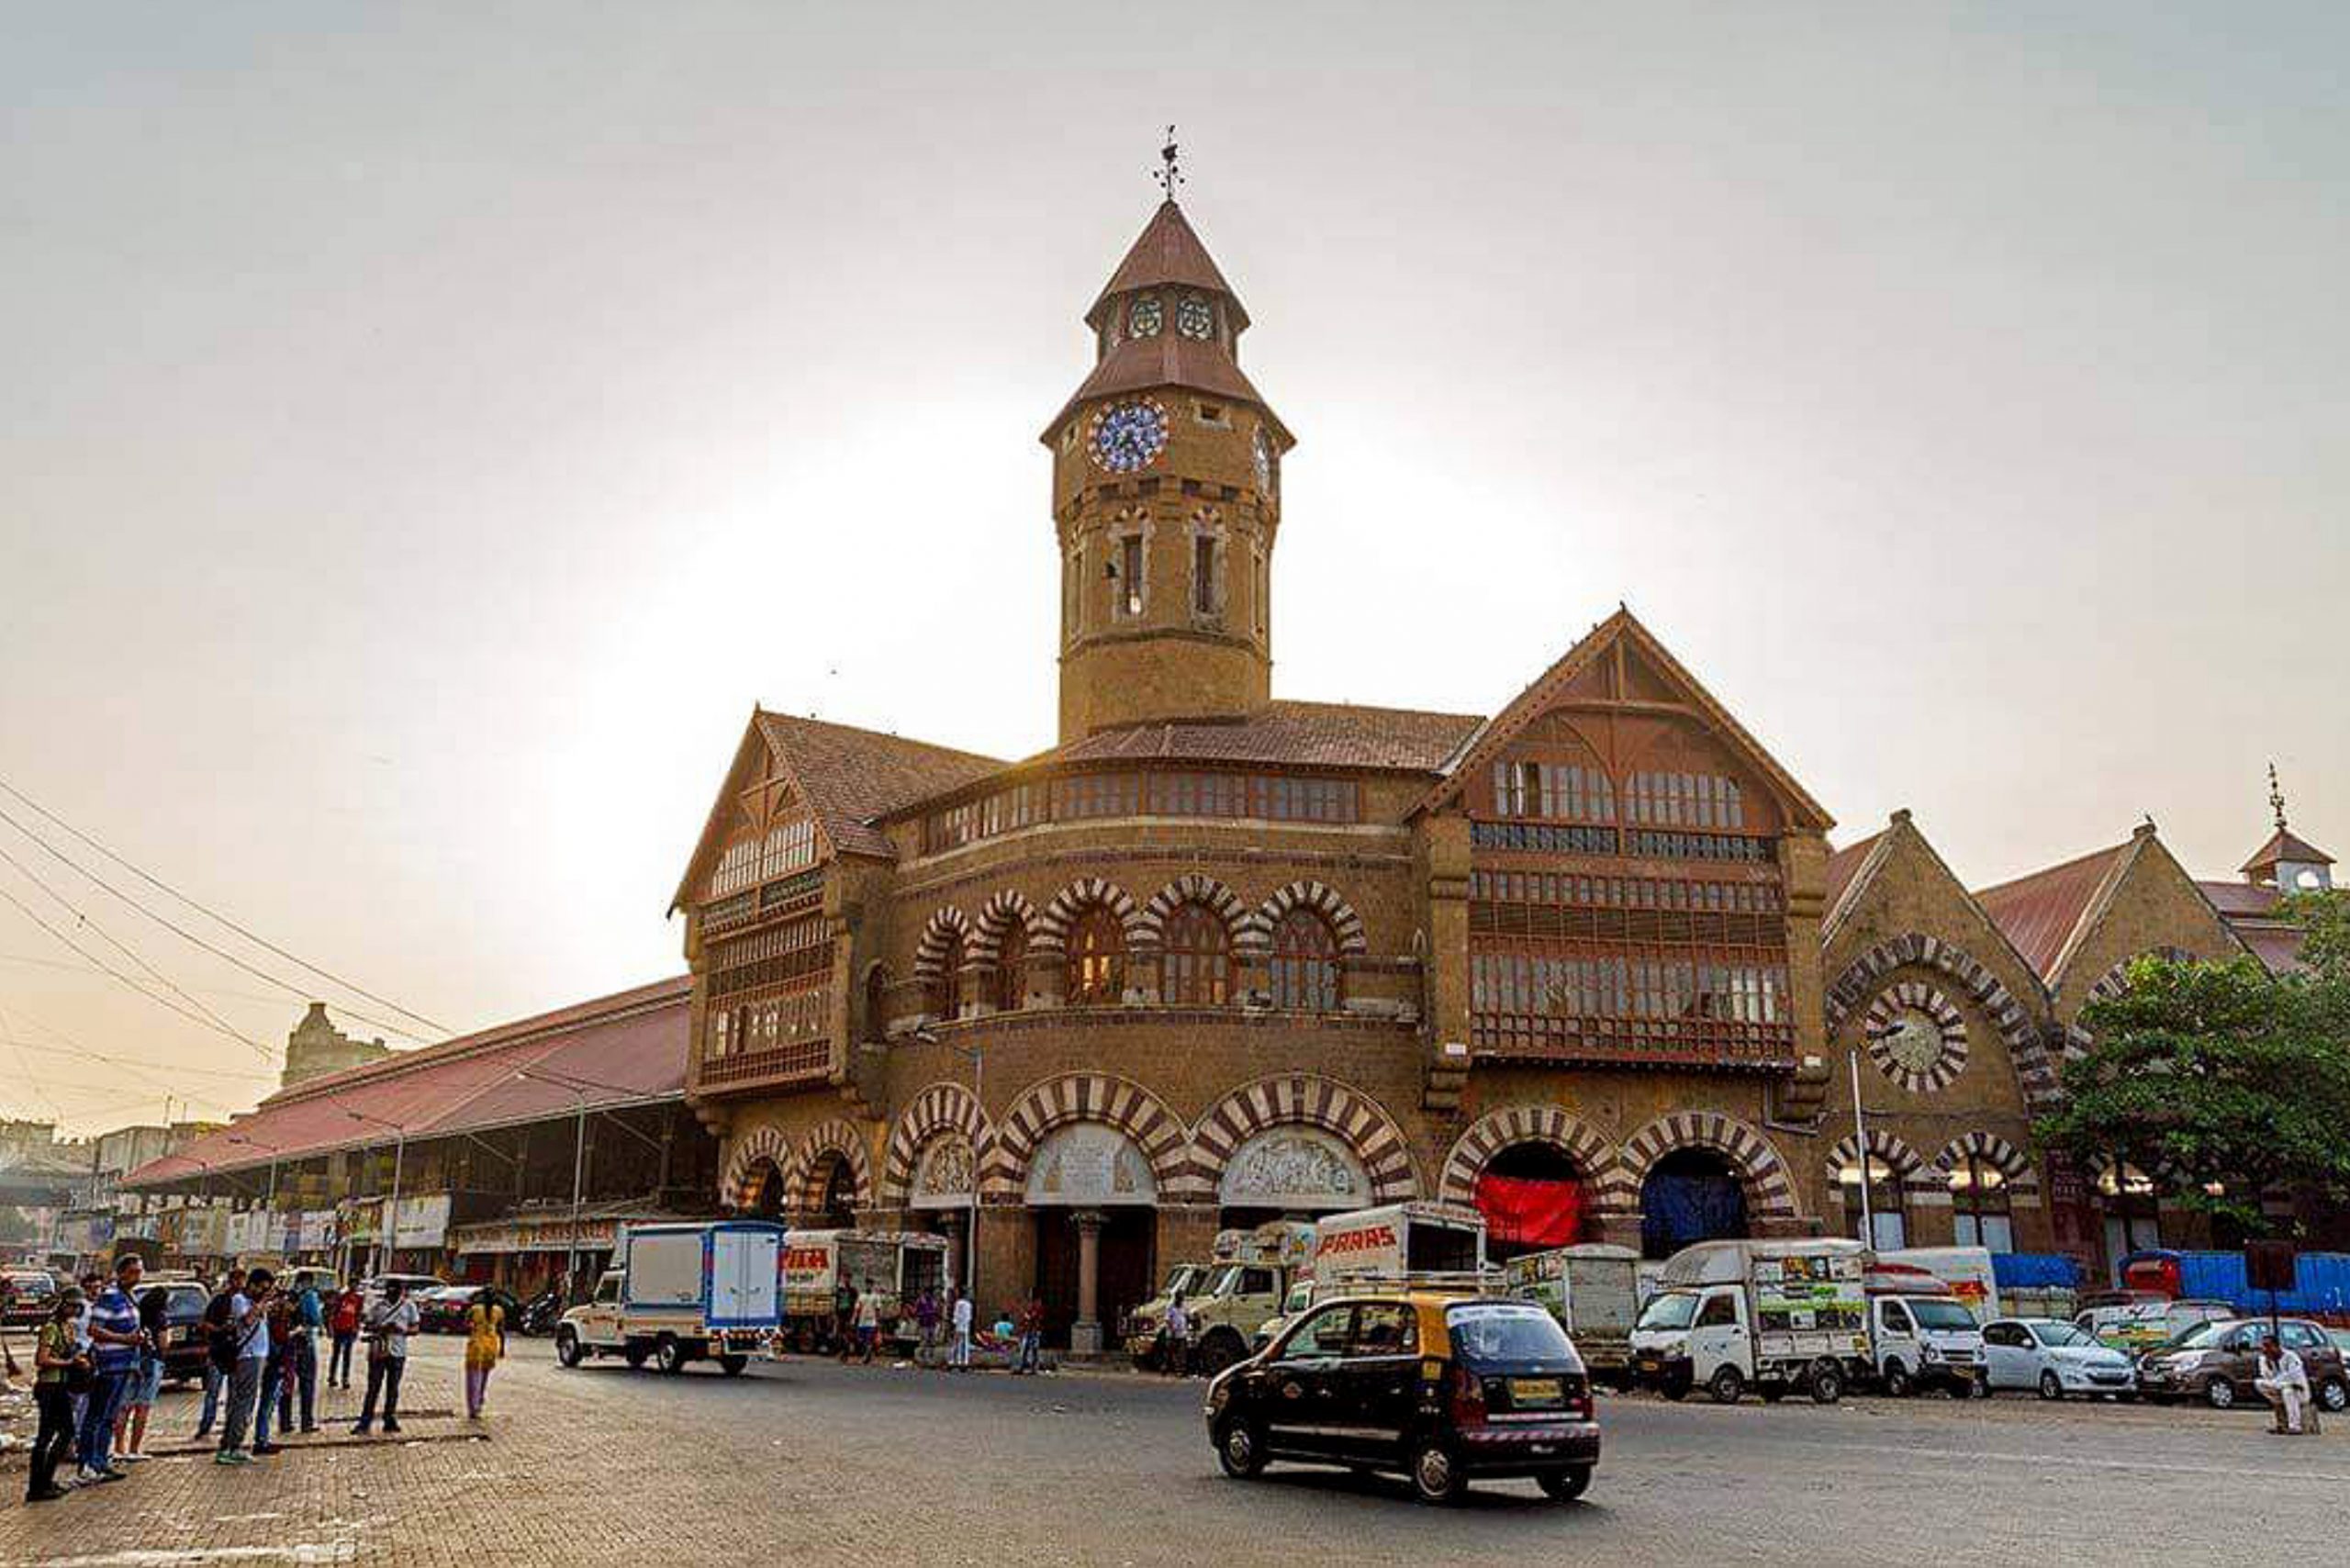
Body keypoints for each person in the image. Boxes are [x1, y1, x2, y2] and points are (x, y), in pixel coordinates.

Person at [75, 1254, 145, 1485]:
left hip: (125, 1364)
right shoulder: (110, 1297)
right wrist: (125, 1339)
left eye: (140, 1271)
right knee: (95, 1416)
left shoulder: (130, 1298)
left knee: (110, 1417)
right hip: (107, 1366)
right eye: (133, 1271)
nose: (137, 1276)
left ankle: (101, 1462)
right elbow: (95, 1330)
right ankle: (86, 1463)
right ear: (121, 1272)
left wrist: (138, 1339)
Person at [26, 1289, 87, 1503]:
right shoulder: (51, 1328)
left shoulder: (68, 1328)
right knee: (46, 1437)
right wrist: (69, 1363)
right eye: (71, 1305)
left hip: (61, 1385)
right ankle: (37, 1486)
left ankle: (46, 1481)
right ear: (62, 1305)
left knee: (65, 1432)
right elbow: (42, 1359)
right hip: (49, 1387)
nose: (74, 1310)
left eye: (77, 1306)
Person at [215, 1267, 274, 1466]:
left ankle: (231, 1445)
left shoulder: (253, 1302)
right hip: (247, 1357)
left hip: (258, 1355)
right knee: (242, 1402)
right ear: (253, 1285)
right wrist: (262, 1303)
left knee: (245, 1402)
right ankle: (232, 1446)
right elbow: (247, 1321)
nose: (263, 1292)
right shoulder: (240, 1300)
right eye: (262, 1288)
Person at [111, 1283, 171, 1462]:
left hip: (133, 1361)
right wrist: (169, 1338)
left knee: (124, 1406)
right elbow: (163, 1345)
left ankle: (119, 1448)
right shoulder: (161, 1318)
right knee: (142, 1408)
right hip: (152, 1362)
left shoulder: (137, 1314)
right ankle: (134, 1448)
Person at [354, 1278, 418, 1435]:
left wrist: (401, 1330)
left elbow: (415, 1328)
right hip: (379, 1351)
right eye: (390, 1291)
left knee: (393, 1388)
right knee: (373, 1387)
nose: (393, 1294)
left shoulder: (409, 1306)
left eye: (396, 1291)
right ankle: (365, 1421)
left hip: (398, 1352)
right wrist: (381, 1327)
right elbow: (367, 1326)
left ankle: (389, 1420)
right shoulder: (378, 1306)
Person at [193, 1266, 247, 1439]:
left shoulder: (246, 1301)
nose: (239, 1284)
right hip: (218, 1351)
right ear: (230, 1281)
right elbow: (205, 1323)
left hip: (237, 1353)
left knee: (234, 1393)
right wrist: (219, 1328)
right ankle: (205, 1426)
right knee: (213, 1393)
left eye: (241, 1280)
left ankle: (230, 1427)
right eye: (236, 1280)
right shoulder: (219, 1301)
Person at [278, 1275, 320, 1435]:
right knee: (307, 1383)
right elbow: (316, 1319)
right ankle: (306, 1421)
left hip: (287, 1348)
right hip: (304, 1343)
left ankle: (285, 1422)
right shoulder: (309, 1296)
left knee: (287, 1384)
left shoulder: (287, 1299)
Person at [2256, 1334, 2313, 1436]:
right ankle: (2281, 1424)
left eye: (2268, 1346)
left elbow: (2293, 1376)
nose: (2265, 1349)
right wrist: (2269, 1365)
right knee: (2259, 1383)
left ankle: (2295, 1426)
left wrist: (2279, 1383)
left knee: (2288, 1391)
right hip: (2279, 1390)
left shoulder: (2291, 1357)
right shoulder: (2264, 1359)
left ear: (2276, 1346)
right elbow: (2267, 1378)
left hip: (2299, 1393)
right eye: (2263, 1346)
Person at [464, 1287, 504, 1420]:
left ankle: (473, 1408)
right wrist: (502, 1348)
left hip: (476, 1345)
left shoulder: (475, 1309)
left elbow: (466, 1323)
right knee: (484, 1378)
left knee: (473, 1377)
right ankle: (479, 1404)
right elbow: (501, 1331)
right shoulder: (498, 1311)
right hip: (491, 1345)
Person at [327, 1282, 363, 1388]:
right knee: (336, 1353)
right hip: (339, 1328)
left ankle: (345, 1378)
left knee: (347, 1355)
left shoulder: (358, 1299)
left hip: (350, 1329)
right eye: (353, 1285)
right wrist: (331, 1326)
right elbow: (334, 1312)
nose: (354, 1287)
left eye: (356, 1285)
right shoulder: (342, 1297)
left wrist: (357, 1327)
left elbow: (358, 1315)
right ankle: (332, 1376)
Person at [1162, 1293, 1190, 1379]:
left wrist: (1187, 1326)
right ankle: (1165, 1368)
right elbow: (1167, 1319)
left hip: (1182, 1333)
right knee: (1170, 1353)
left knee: (1181, 1353)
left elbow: (1186, 1316)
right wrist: (1172, 1329)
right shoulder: (1170, 1307)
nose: (1181, 1300)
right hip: (1172, 1334)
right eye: (1179, 1298)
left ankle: (1180, 1371)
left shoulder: (1184, 1306)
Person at [854, 1280, 881, 1365]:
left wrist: (877, 1321)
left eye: (870, 1285)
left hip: (871, 1322)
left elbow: (877, 1310)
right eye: (867, 1285)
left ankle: (866, 1357)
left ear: (872, 1286)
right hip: (862, 1322)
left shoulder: (876, 1296)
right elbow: (857, 1308)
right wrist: (854, 1318)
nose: (868, 1286)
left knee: (869, 1340)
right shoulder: (861, 1296)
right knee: (861, 1339)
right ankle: (868, 1355)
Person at [1016, 1294, 1044, 1376]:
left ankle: (1033, 1369)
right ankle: (1022, 1367)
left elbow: (1033, 1318)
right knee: (1024, 1349)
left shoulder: (1038, 1310)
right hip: (1028, 1331)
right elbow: (1025, 1320)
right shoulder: (1031, 1310)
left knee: (1034, 1350)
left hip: (1034, 1332)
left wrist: (1028, 1317)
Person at [833, 1275, 858, 1362]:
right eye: (845, 1278)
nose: (846, 1280)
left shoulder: (853, 1291)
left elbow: (855, 1304)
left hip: (848, 1316)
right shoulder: (840, 1291)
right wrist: (835, 1315)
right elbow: (836, 1303)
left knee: (847, 1335)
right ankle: (843, 1352)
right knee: (840, 1335)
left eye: (848, 1278)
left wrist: (853, 1316)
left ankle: (845, 1353)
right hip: (841, 1316)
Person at [912, 1286, 940, 1365]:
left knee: (932, 1342)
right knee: (924, 1341)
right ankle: (921, 1358)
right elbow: (915, 1312)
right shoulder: (920, 1301)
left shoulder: (933, 1301)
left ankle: (930, 1358)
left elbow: (937, 1311)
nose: (928, 1294)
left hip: (932, 1323)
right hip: (924, 1324)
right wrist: (923, 1314)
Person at [949, 1286, 973, 1372]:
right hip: (965, 1326)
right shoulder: (968, 1304)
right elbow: (969, 1317)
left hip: (959, 1326)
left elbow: (956, 1315)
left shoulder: (959, 1303)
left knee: (957, 1344)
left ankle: (955, 1361)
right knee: (964, 1344)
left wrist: (954, 1324)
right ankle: (964, 1362)